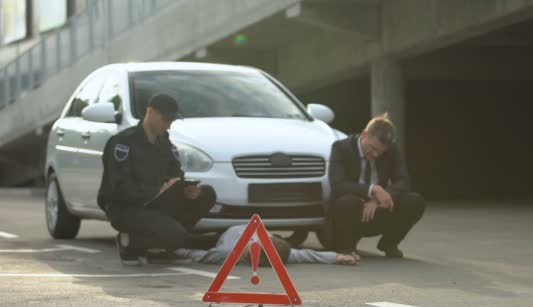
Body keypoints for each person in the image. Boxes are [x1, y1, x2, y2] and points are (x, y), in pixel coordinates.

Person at [97, 93, 217, 266]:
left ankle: (160, 246)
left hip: (156, 204)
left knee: (206, 194)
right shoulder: (122, 143)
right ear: (150, 112)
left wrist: (185, 189)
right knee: (176, 234)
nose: (168, 125)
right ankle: (131, 243)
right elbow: (116, 188)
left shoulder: (164, 143)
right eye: (165, 119)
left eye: (171, 121)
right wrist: (155, 192)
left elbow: (175, 173)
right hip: (126, 207)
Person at [328, 113, 425, 258]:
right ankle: (346, 248)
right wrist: (373, 189)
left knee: (415, 201)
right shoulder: (341, 148)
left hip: (377, 211)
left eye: (381, 151)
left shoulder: (391, 150)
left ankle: (389, 243)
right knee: (347, 202)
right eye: (373, 148)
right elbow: (338, 185)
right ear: (365, 134)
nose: (376, 154)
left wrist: (379, 199)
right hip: (351, 213)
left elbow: (403, 181)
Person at [176, 225, 358, 265]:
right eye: (252, 255)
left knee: (292, 249)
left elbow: (309, 255)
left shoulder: (279, 253)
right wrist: (176, 250)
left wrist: (338, 257)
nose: (251, 258)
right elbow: (200, 255)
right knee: (199, 239)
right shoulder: (230, 252)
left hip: (260, 233)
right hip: (224, 233)